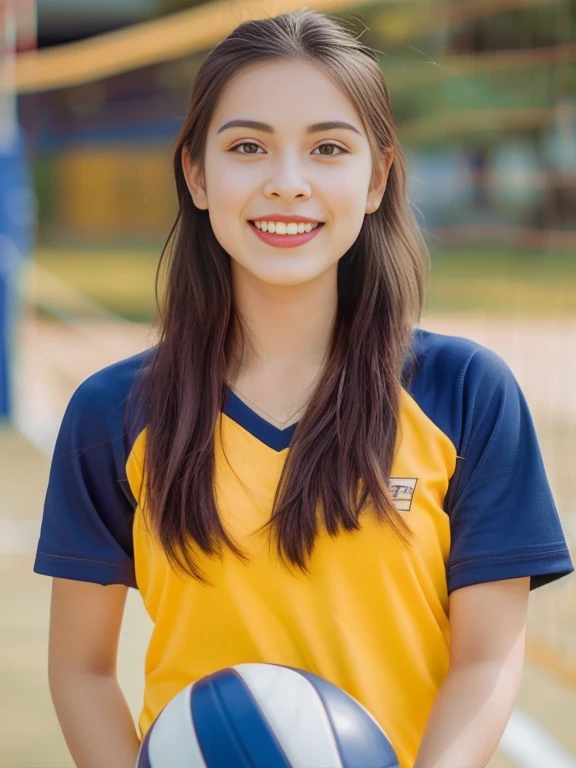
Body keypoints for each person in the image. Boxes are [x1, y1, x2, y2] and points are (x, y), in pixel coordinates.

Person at [33, 10, 573, 768]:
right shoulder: (115, 412)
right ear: (195, 173)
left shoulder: (466, 394)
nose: (288, 184)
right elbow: (81, 668)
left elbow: (486, 659)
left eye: (327, 149)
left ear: (378, 176)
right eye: (248, 147)